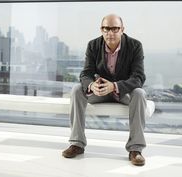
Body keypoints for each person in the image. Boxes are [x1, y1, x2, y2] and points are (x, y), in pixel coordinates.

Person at [62, 14, 147, 166]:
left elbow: (138, 78)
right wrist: (91, 85)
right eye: (106, 28)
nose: (110, 33)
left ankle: (135, 149)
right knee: (76, 89)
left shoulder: (135, 46)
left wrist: (114, 86)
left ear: (122, 30)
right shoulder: (93, 45)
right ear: (101, 29)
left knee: (140, 93)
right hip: (99, 91)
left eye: (115, 29)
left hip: (122, 92)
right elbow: (85, 74)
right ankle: (77, 144)